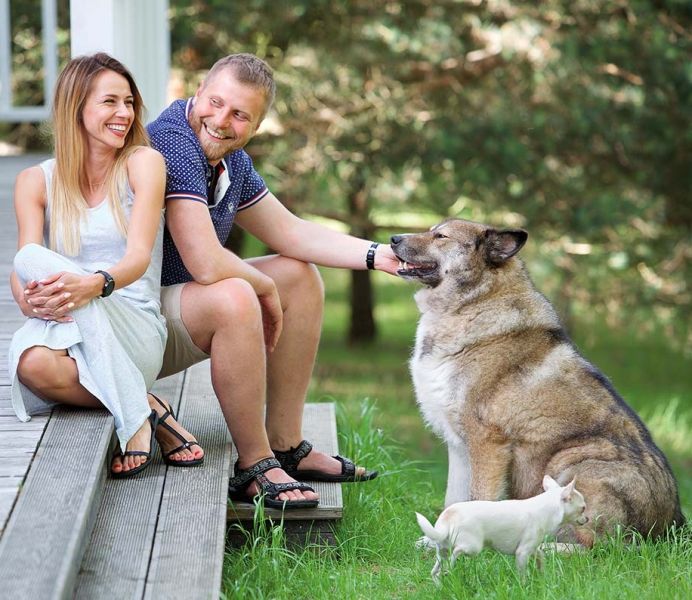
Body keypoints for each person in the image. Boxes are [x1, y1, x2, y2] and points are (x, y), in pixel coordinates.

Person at [147, 53, 401, 509]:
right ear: (198, 91)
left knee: (298, 276)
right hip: (134, 323)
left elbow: (291, 233)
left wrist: (376, 255)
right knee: (235, 294)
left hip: (171, 312)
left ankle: (285, 443)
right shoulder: (172, 142)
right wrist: (261, 288)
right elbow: (205, 264)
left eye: (240, 114)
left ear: (257, 125)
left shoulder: (232, 162)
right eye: (216, 102)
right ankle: (255, 463)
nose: (221, 121)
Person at [8, 53, 203, 479]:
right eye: (110, 102)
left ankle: (134, 423)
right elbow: (24, 264)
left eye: (129, 102)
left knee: (50, 275)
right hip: (65, 324)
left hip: (131, 321)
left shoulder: (143, 163)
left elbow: (136, 258)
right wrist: (29, 301)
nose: (124, 114)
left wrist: (91, 286)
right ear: (75, 107)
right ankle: (145, 406)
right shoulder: (35, 181)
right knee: (32, 363)